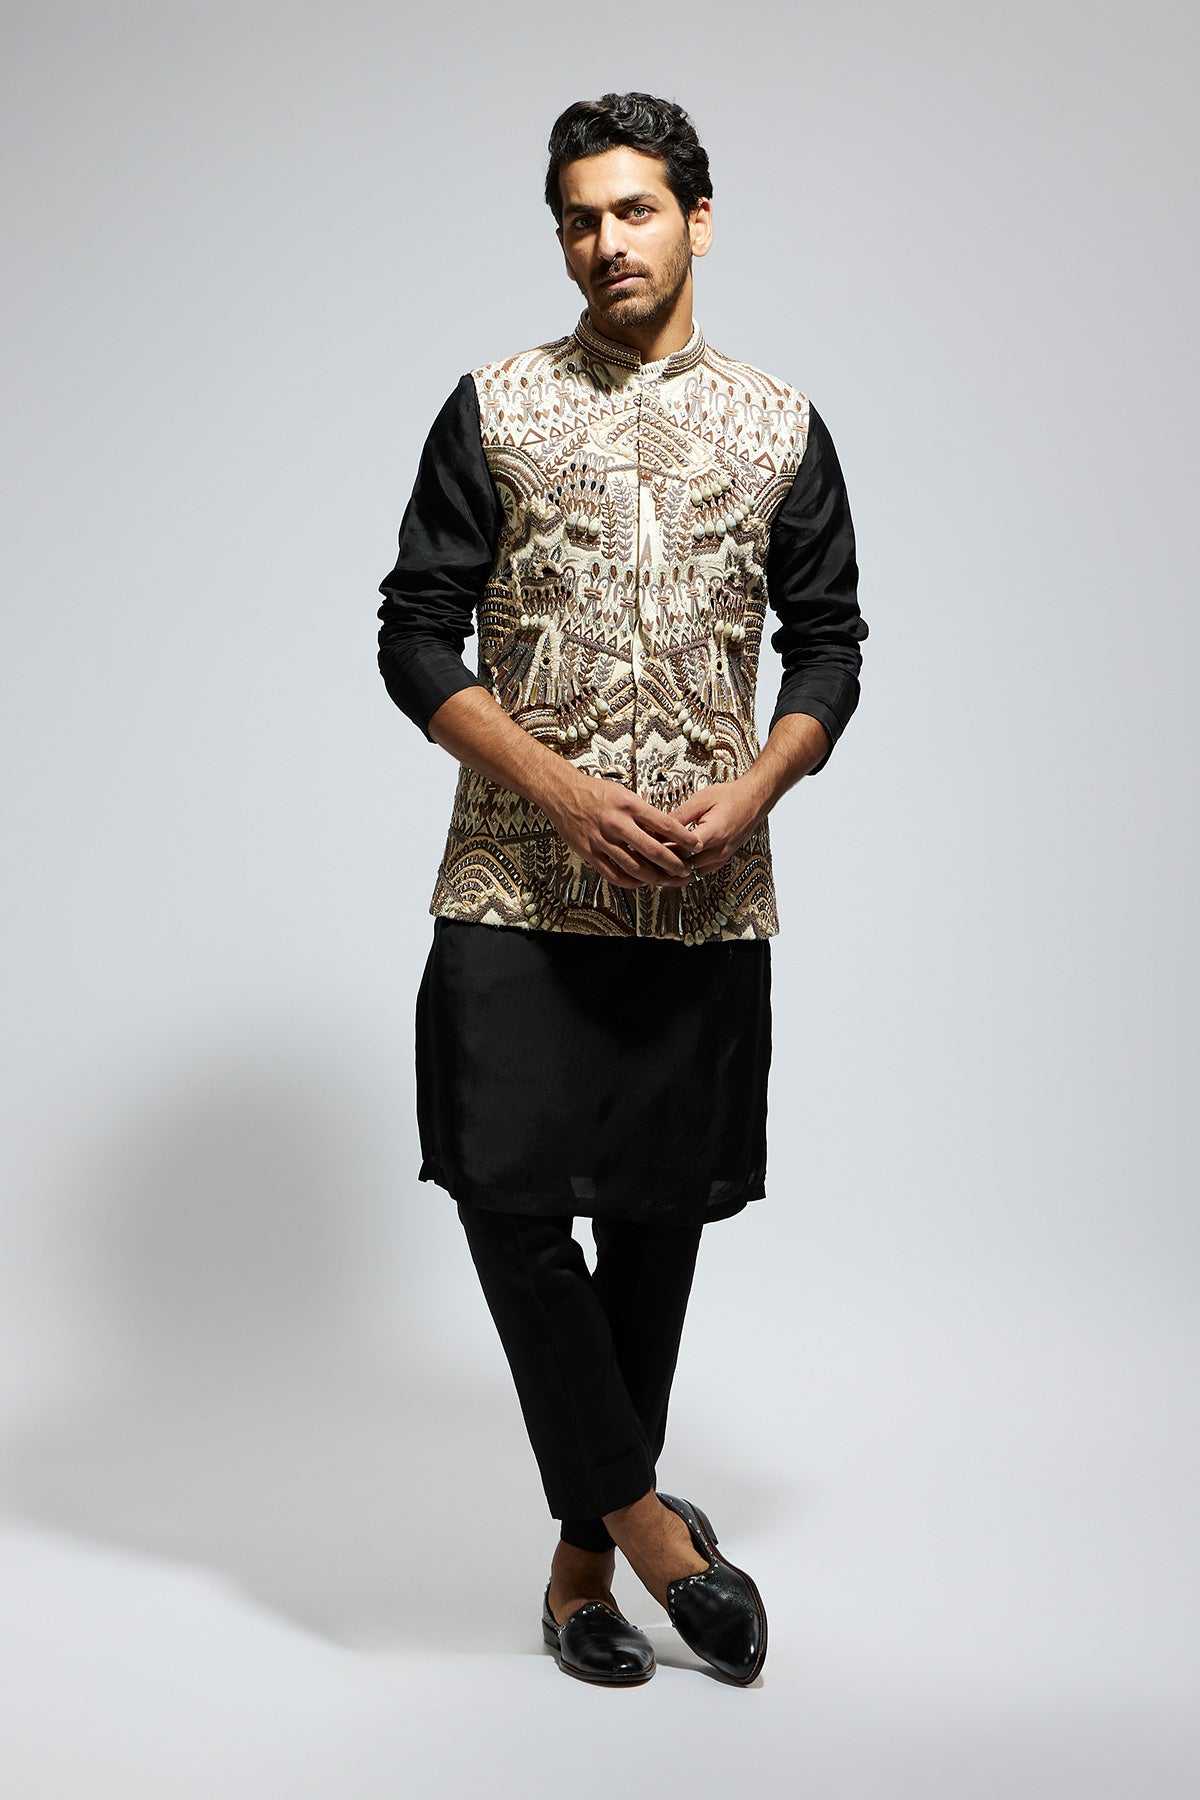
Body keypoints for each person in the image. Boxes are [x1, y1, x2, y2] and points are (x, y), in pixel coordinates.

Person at [375, 91, 867, 1687]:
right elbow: (413, 634)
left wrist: (764, 782)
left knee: (655, 1224)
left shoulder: (782, 425)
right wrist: (560, 791)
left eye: (635, 209)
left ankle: (579, 1567)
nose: (606, 242)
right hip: (514, 877)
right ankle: (656, 1533)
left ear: (697, 220)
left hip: (702, 899)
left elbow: (832, 644)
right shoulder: (495, 409)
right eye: (579, 218)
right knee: (506, 1196)